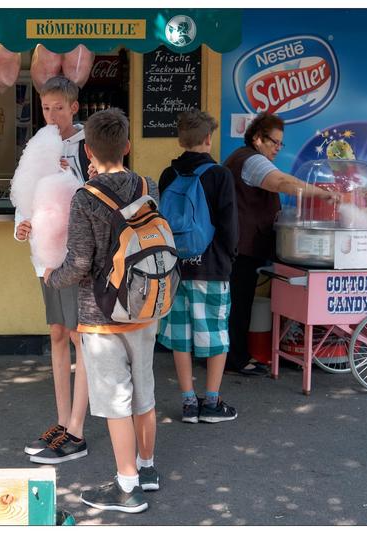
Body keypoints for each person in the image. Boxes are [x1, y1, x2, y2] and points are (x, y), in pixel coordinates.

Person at [44, 107, 159, 513]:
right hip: (146, 305)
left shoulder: (84, 198)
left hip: (103, 314)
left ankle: (127, 488)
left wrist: (50, 276)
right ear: (127, 146)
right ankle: (146, 467)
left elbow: (79, 263)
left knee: (115, 402)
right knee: (144, 393)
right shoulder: (149, 184)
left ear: (88, 150)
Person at [224, 112, 339, 376]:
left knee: (237, 302)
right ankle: (236, 360)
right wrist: (323, 194)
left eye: (280, 144)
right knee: (238, 303)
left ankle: (233, 355)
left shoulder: (242, 158)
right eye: (273, 142)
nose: (277, 148)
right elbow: (282, 182)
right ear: (257, 139)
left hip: (238, 243)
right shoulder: (252, 161)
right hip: (241, 245)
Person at [14, 76, 90, 463]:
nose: (51, 114)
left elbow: (98, 195)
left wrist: (69, 174)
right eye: (46, 107)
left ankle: (77, 430)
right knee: (58, 335)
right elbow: (26, 196)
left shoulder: (87, 143)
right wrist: (21, 225)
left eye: (58, 107)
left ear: (74, 107)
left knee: (80, 339)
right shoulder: (39, 143)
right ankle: (62, 423)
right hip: (45, 258)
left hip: (76, 259)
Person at [157, 109, 239, 424]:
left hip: (176, 267)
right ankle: (213, 402)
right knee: (215, 333)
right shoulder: (219, 175)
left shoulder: (168, 175)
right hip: (212, 267)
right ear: (208, 138)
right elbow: (229, 225)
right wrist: (229, 258)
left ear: (180, 139)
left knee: (181, 336)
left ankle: (189, 402)